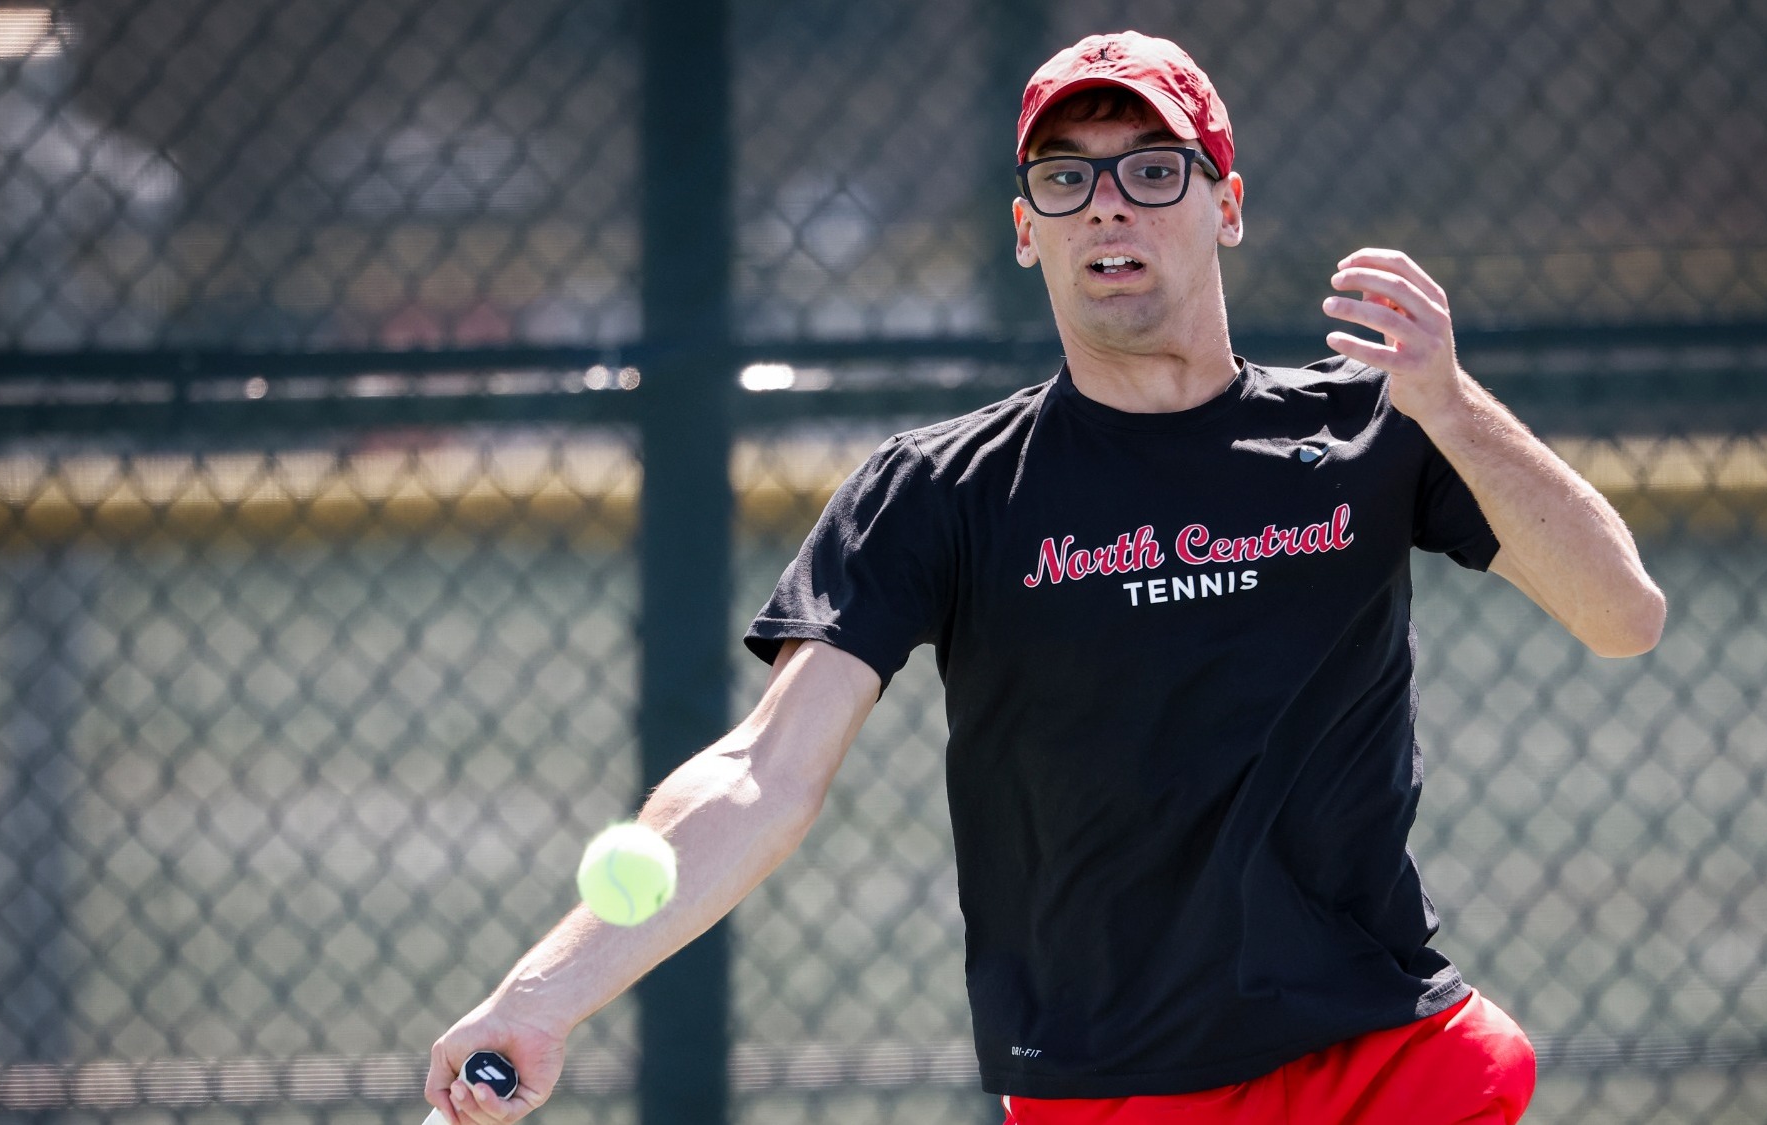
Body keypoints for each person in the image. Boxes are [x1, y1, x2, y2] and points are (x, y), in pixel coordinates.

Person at [424, 30, 1664, 1125]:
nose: (1106, 206)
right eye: (1064, 179)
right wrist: (537, 1000)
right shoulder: (939, 490)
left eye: (1149, 168)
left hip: (1387, 1056)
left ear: (1223, 205)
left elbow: (1620, 617)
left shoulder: (1374, 430)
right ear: (1027, 231)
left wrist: (1451, 407)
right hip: (1115, 1086)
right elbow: (761, 770)